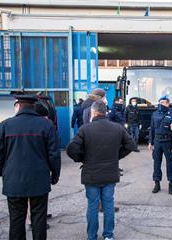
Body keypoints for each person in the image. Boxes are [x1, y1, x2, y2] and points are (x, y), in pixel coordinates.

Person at [0, 94, 61, 240]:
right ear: (35, 107)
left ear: (18, 106)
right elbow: (54, 154)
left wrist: (4, 173)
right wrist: (55, 175)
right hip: (39, 180)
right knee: (39, 220)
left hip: (13, 181)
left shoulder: (5, 125)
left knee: (16, 220)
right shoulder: (46, 125)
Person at [66, 100, 136, 240]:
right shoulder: (117, 128)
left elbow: (71, 149)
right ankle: (108, 235)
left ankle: (92, 236)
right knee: (108, 204)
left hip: (91, 174)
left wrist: (82, 158)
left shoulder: (85, 129)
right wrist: (117, 156)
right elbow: (131, 145)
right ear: (105, 112)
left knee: (93, 206)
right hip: (110, 172)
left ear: (93, 112)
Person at [148, 96, 172, 194]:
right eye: (160, 102)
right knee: (156, 163)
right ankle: (157, 183)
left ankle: (171, 183)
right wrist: (150, 142)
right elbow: (151, 128)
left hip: (168, 141)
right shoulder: (155, 114)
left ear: (168, 103)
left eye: (163, 102)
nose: (161, 104)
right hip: (157, 142)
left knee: (170, 163)